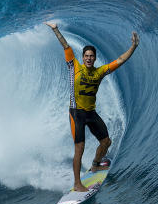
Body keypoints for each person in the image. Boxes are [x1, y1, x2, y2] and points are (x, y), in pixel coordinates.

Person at [44, 21, 139, 192]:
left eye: (91, 56)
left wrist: (133, 46)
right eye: (86, 56)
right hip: (76, 113)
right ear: (83, 57)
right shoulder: (74, 66)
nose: (89, 58)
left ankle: (96, 164)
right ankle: (77, 183)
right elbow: (65, 45)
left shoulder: (100, 72)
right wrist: (55, 29)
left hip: (91, 113)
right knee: (79, 148)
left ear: (95, 58)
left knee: (106, 142)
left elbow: (120, 60)